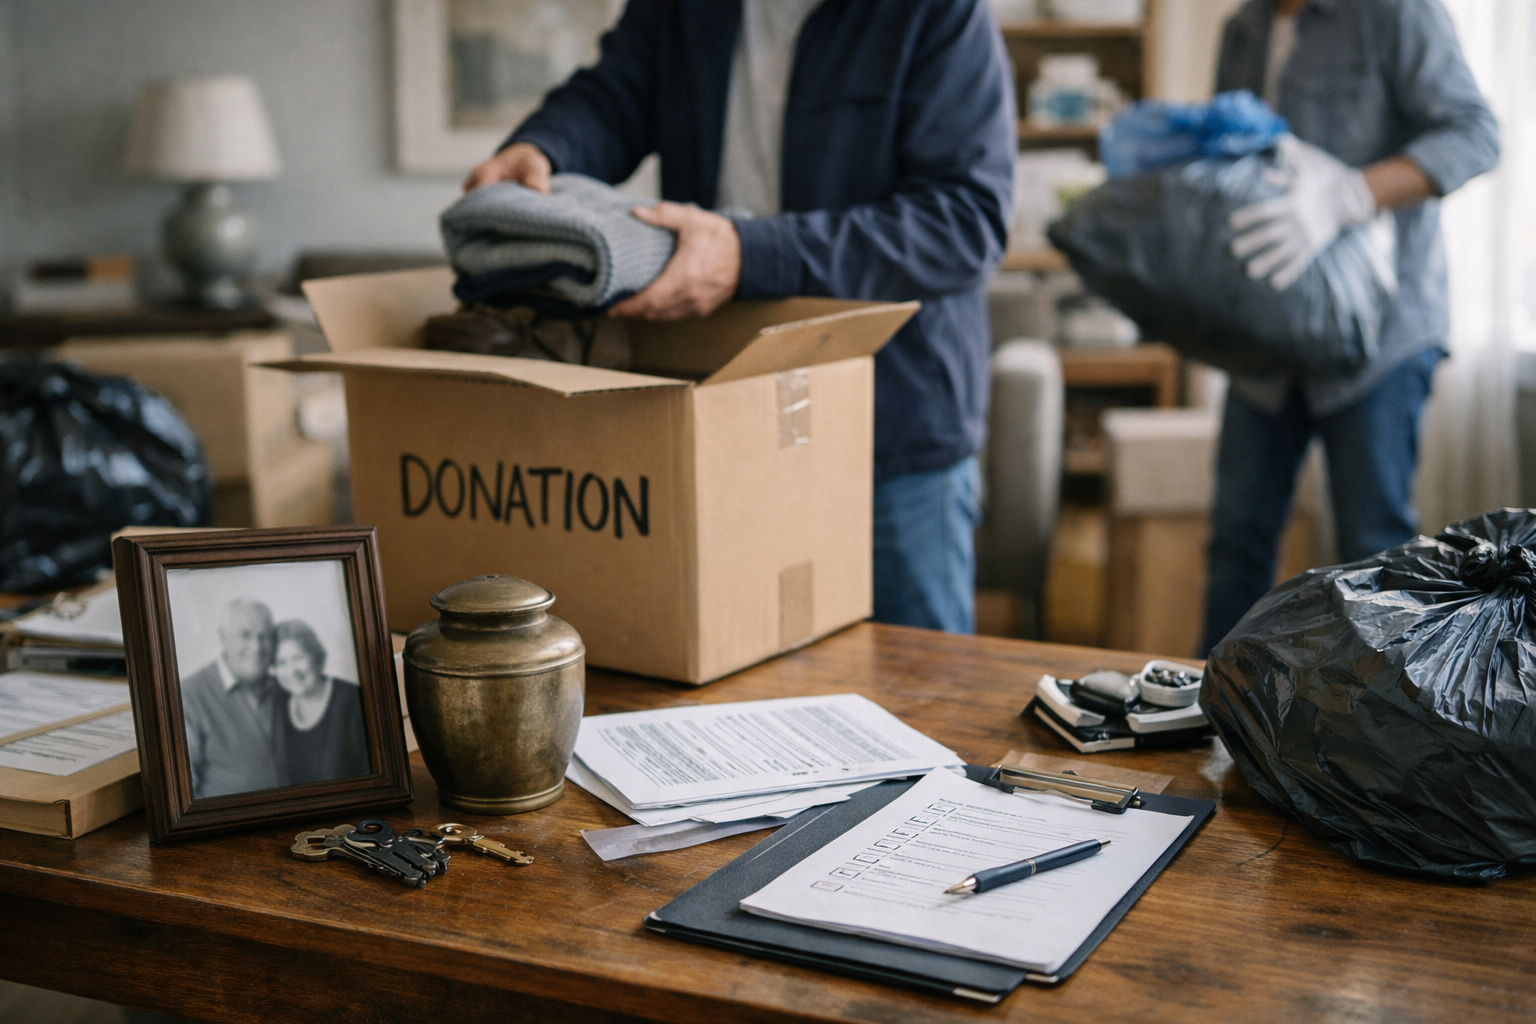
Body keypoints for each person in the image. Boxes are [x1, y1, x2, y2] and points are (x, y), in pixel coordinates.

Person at [463, 0, 1016, 633]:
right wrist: (544, 145)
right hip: (723, 409)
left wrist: (750, 254)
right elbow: (614, 96)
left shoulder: (940, 11)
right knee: (739, 677)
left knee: (919, 690)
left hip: (891, 427)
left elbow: (965, 223)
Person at [1199, 0, 1499, 655]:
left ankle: (1380, 742)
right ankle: (1212, 718)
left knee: (1375, 550)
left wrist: (1349, 195)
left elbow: (1475, 134)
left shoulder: (1396, 13)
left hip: (1380, 338)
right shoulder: (1243, 28)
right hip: (1266, 338)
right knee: (1236, 541)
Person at [180, 598, 284, 798]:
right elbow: (182, 796)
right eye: (245, 635)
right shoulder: (189, 695)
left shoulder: (284, 688)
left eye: (265, 636)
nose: (257, 647)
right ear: (223, 637)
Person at [270, 619, 370, 786]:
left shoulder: (351, 699)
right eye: (282, 663)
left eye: (298, 658)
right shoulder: (279, 706)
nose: (292, 671)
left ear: (316, 656)